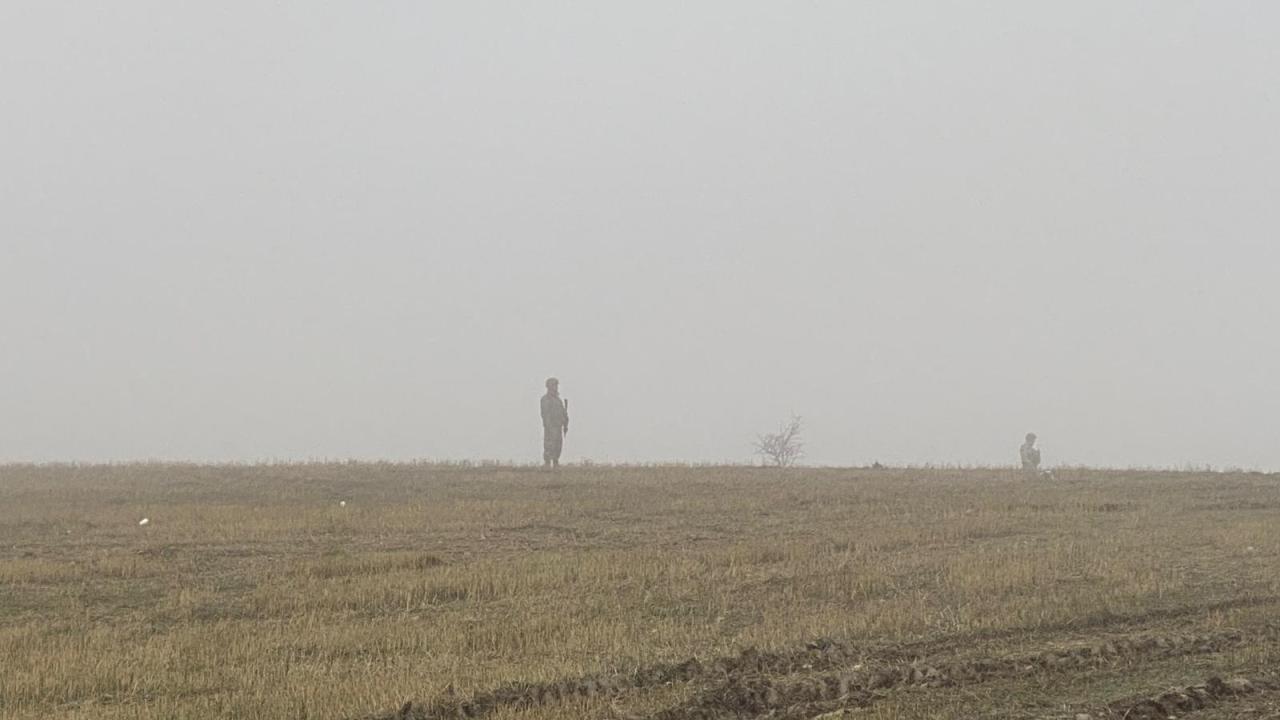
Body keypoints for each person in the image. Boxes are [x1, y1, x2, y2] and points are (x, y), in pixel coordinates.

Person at [540, 377, 569, 468]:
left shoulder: (558, 400)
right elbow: (545, 413)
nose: (556, 387)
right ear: (548, 387)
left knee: (558, 445)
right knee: (549, 444)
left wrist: (565, 422)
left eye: (556, 385)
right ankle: (547, 463)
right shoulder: (545, 399)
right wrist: (548, 425)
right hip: (550, 426)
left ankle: (556, 462)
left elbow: (563, 413)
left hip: (558, 426)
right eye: (554, 385)